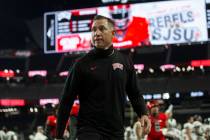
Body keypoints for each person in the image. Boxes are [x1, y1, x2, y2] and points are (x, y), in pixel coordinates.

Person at [55, 15, 151, 140]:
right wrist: (58, 135)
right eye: (94, 29)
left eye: (101, 29)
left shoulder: (125, 62)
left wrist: (143, 113)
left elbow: (134, 93)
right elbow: (66, 100)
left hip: (115, 131)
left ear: (113, 33)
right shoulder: (80, 65)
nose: (97, 33)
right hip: (88, 130)